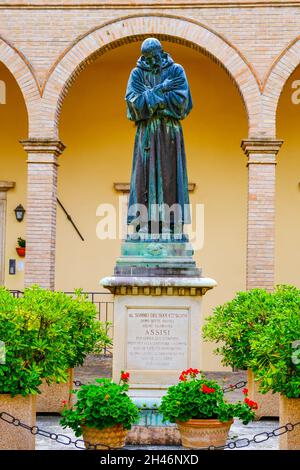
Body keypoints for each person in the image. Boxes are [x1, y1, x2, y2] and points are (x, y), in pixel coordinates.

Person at [125, 38, 192, 237]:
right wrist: (162, 89)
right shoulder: (137, 73)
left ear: (161, 53)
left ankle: (171, 225)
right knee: (143, 177)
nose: (152, 61)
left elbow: (181, 102)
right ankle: (143, 224)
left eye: (154, 56)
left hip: (169, 132)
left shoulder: (176, 70)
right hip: (146, 132)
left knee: (170, 177)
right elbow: (134, 105)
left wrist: (150, 98)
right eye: (147, 58)